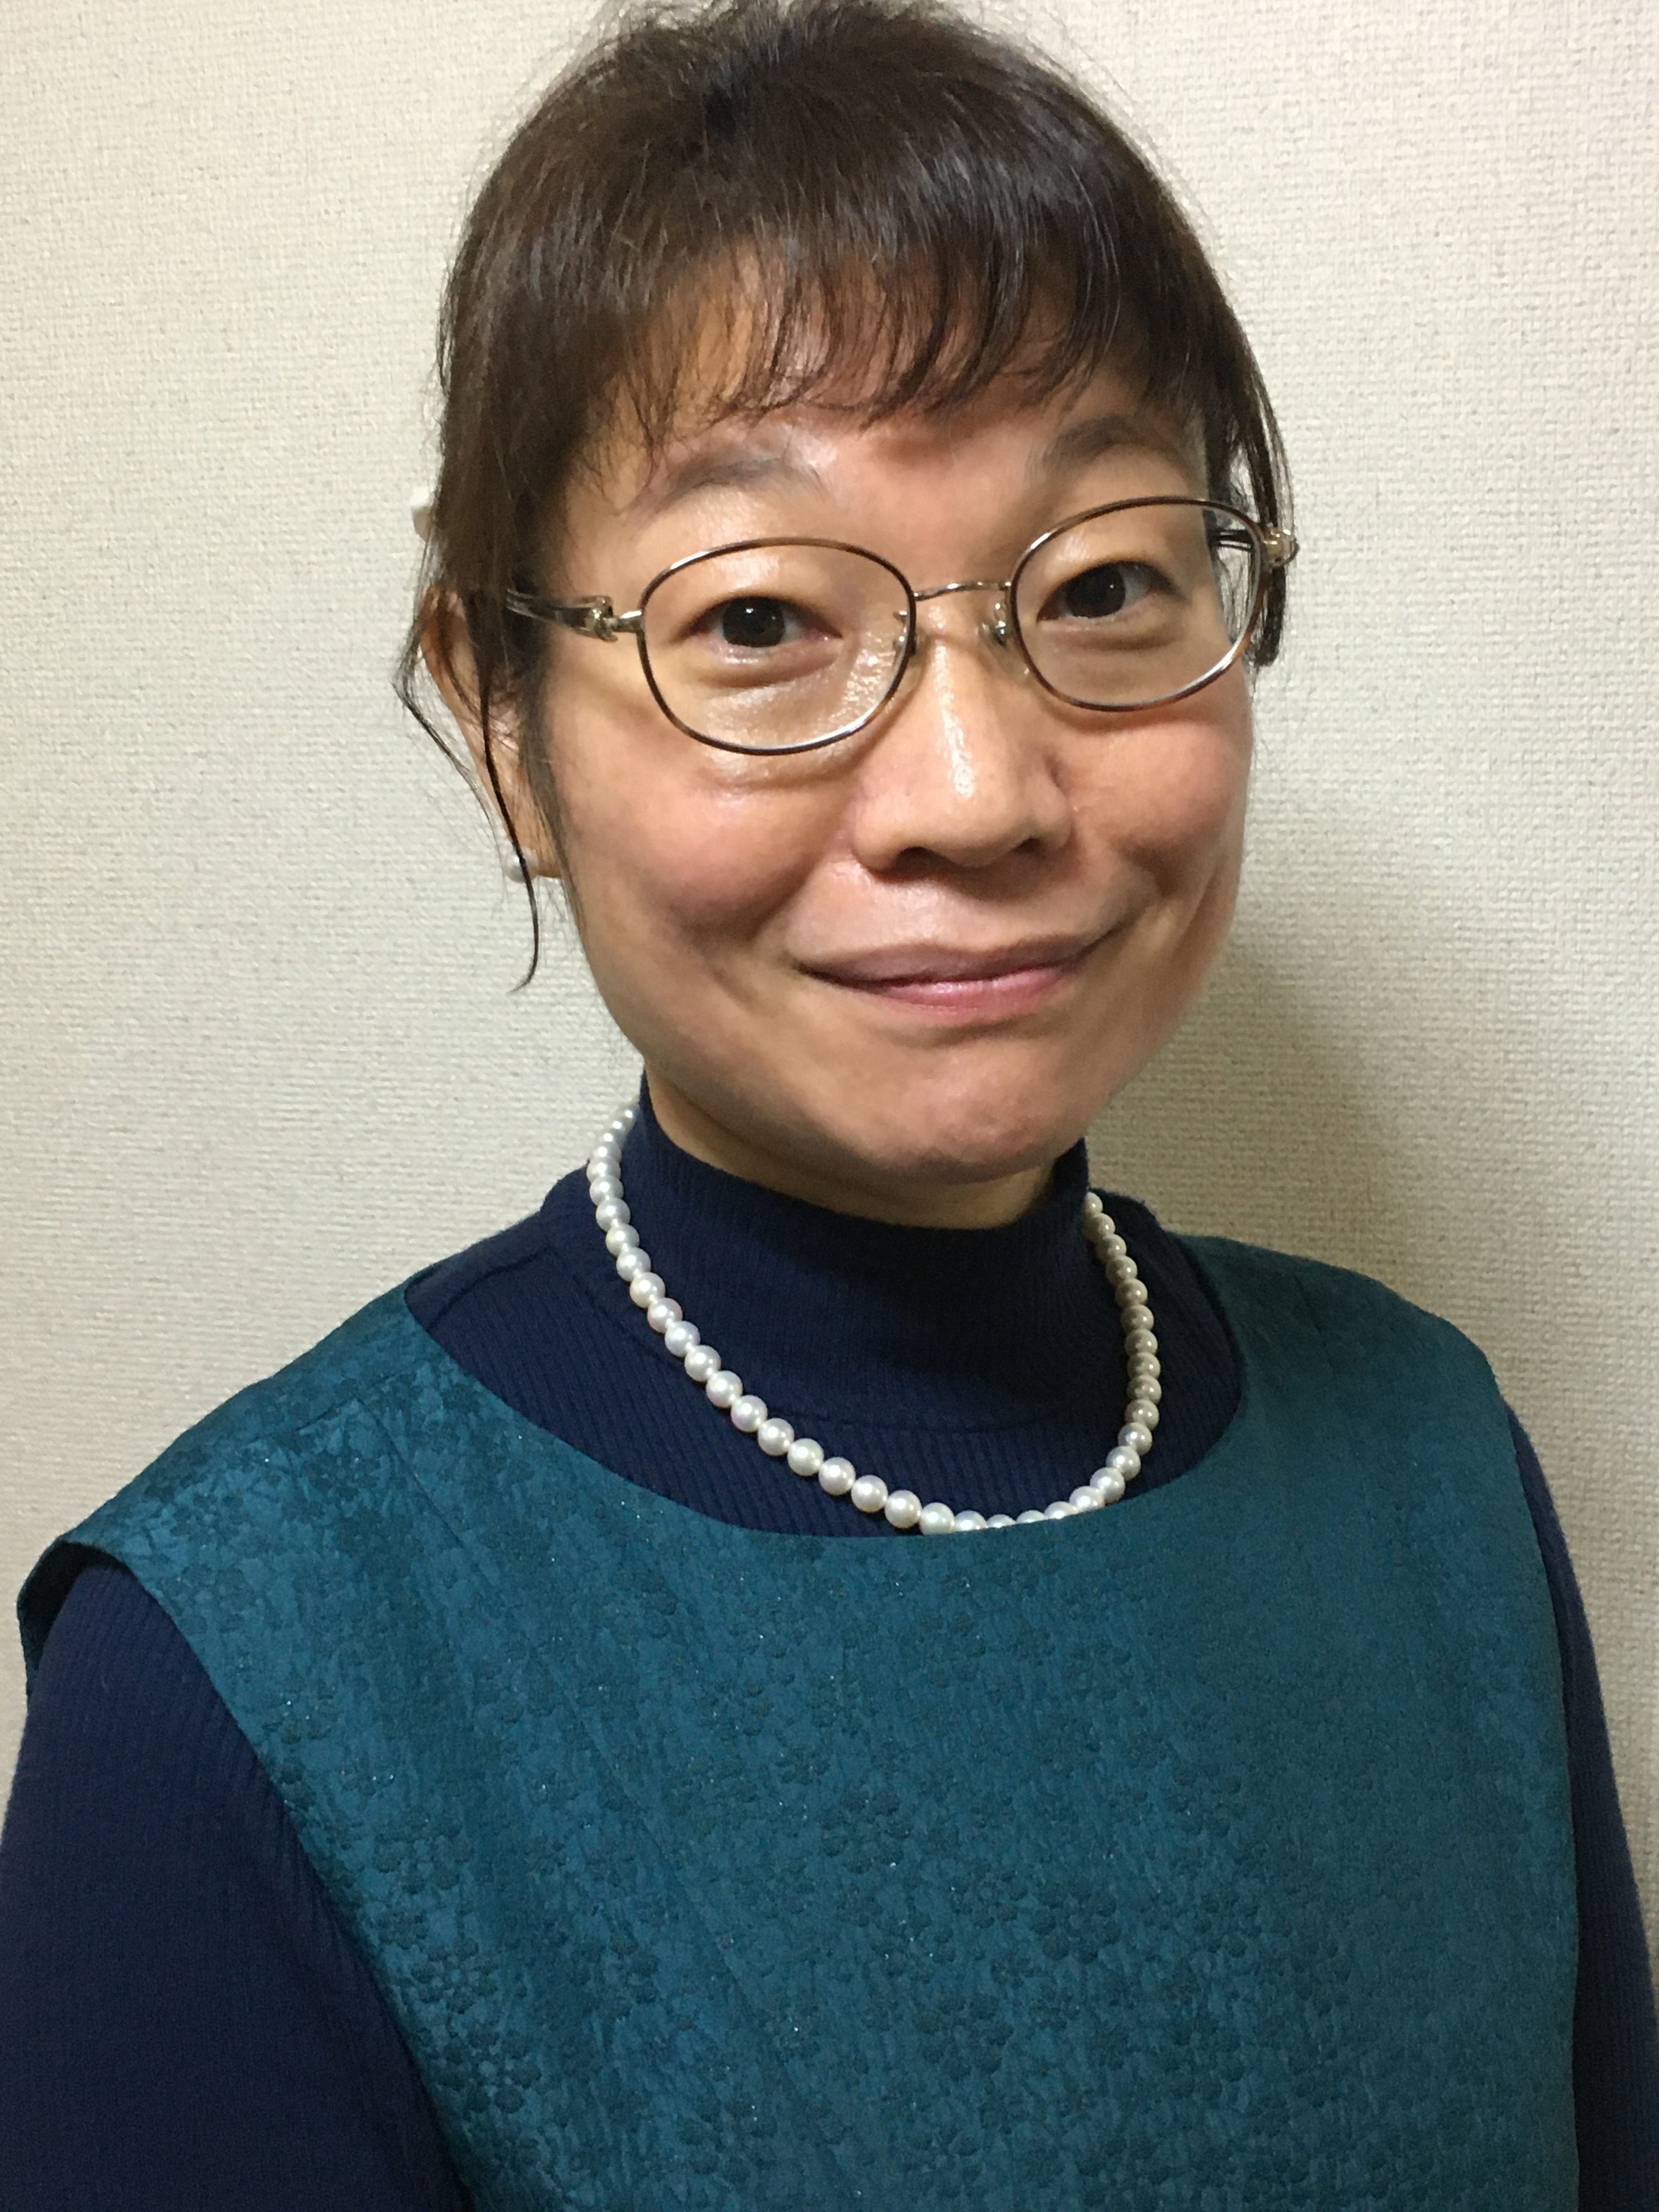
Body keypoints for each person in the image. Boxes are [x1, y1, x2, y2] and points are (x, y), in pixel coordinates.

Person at [1, 0, 1654, 2203]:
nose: (974, 791)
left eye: (1103, 583)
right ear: (502, 724)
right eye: (763, 620)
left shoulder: (1433, 1465)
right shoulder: (237, 1674)